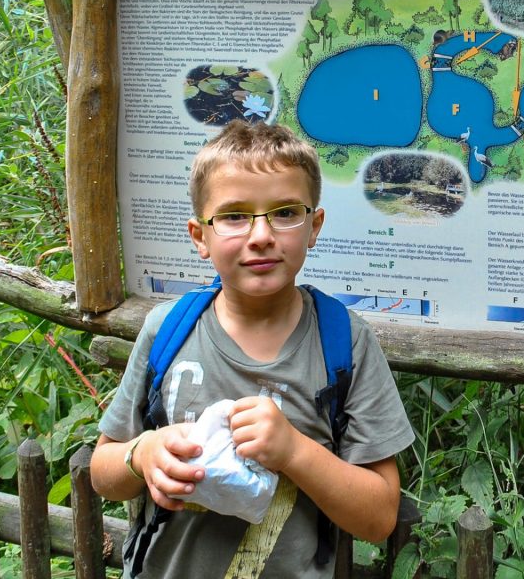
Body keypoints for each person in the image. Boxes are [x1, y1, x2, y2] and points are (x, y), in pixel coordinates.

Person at [91, 120, 414, 578]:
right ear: (200, 236)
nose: (261, 235)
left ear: (314, 226)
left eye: (285, 212)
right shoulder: (168, 329)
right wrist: (142, 454)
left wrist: (294, 451)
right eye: (234, 216)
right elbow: (103, 472)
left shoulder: (346, 342)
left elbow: (379, 518)